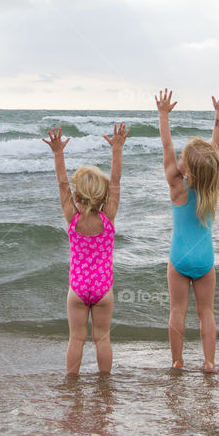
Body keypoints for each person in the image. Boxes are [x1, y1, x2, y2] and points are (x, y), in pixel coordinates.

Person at [155, 87, 219, 372]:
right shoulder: (211, 188)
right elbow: (215, 148)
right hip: (205, 260)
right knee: (207, 313)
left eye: (182, 159)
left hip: (178, 259)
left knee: (178, 311)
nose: (177, 158)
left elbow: (166, 146)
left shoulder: (177, 188)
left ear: (186, 171)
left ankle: (177, 362)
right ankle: (209, 362)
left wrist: (163, 115)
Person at [43, 122, 129, 374]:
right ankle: (105, 384)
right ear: (103, 198)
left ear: (77, 198)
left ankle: (72, 382)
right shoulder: (108, 218)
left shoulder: (73, 218)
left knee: (76, 338)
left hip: (78, 288)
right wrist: (117, 149)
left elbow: (62, 186)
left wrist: (58, 153)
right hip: (103, 288)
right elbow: (116, 181)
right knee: (102, 338)